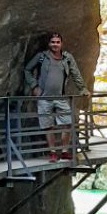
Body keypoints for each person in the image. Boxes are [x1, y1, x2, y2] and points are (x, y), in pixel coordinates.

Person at [24, 32, 90, 163]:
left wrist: (83, 88)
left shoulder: (67, 58)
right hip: (44, 98)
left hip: (60, 97)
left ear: (61, 44)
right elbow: (27, 69)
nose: (55, 45)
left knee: (67, 123)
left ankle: (64, 151)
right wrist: (34, 86)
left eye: (57, 42)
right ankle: (53, 153)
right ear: (49, 44)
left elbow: (75, 74)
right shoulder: (41, 57)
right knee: (48, 126)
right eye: (53, 42)